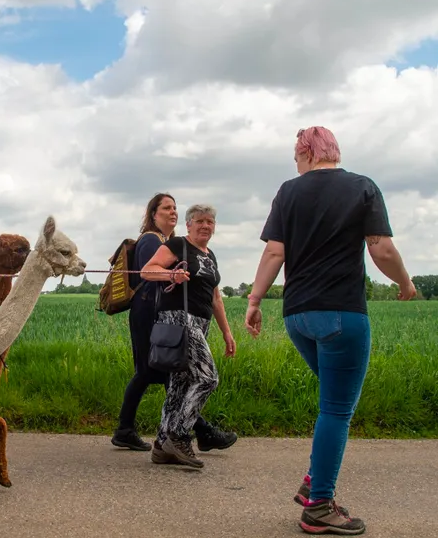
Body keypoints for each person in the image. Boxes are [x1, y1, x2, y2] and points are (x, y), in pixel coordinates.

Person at [245, 126, 416, 535]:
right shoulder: (362, 187)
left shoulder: (288, 191)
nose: (295, 162)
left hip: (297, 317)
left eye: (295, 155)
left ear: (308, 152)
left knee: (334, 402)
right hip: (341, 316)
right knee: (337, 410)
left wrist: (254, 301)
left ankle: (312, 481)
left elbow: (274, 251)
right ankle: (319, 505)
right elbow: (382, 248)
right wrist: (405, 283)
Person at [112, 193, 237, 453]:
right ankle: (180, 435)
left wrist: (227, 332)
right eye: (199, 221)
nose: (205, 225)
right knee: (206, 378)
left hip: (199, 322)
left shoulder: (208, 254)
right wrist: (171, 274)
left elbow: (216, 296)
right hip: (172, 319)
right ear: (189, 225)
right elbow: (148, 270)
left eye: (210, 222)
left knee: (177, 382)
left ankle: (162, 444)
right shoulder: (167, 243)